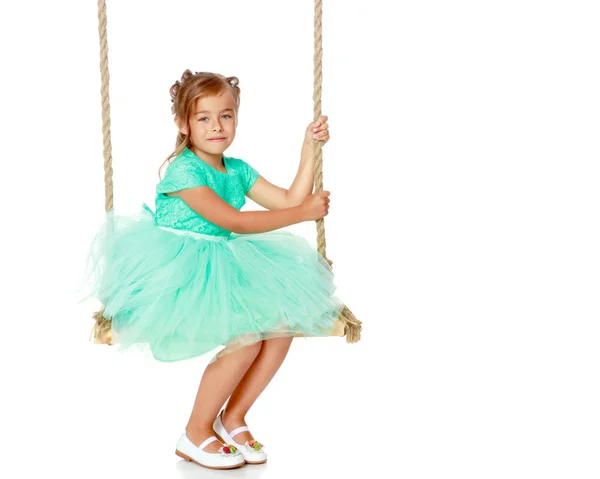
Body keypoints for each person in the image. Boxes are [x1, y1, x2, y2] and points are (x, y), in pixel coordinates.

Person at [83, 69, 345, 470]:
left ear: (236, 118)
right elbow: (234, 221)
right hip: (178, 272)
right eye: (203, 118)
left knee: (281, 326)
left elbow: (291, 198)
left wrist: (310, 147)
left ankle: (233, 417)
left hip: (226, 262)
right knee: (246, 338)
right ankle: (195, 430)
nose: (216, 126)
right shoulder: (183, 172)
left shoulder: (237, 169)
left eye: (226, 115)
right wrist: (301, 214)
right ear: (183, 124)